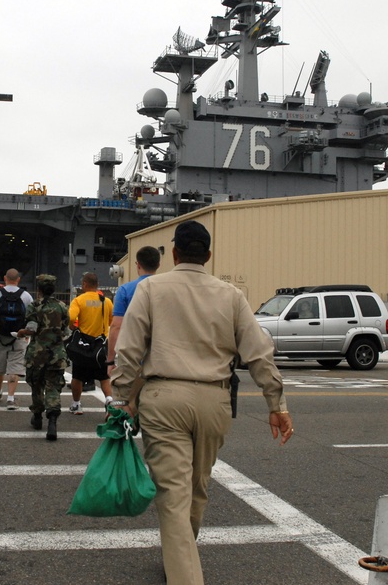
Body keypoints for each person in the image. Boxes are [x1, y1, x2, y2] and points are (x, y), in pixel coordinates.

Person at [112, 220, 292, 585]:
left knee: (172, 496)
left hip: (164, 398)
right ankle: (182, 557)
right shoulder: (231, 295)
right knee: (197, 486)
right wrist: (277, 405)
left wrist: (120, 398)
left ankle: (184, 570)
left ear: (174, 252)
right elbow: (259, 354)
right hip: (215, 398)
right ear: (208, 255)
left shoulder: (150, 289)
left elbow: (128, 350)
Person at [19, 274, 71, 441]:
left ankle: (37, 415)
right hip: (57, 354)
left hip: (37, 354)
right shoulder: (63, 306)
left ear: (39, 289)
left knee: (36, 385)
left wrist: (21, 332)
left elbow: (31, 329)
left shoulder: (34, 306)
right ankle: (53, 421)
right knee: (53, 387)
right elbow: (66, 330)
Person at [105, 245, 161, 370]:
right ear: (158, 265)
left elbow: (116, 326)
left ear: (138, 264)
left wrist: (110, 360)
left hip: (132, 359)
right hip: (160, 359)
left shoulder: (125, 290)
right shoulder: (167, 289)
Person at [0, 268, 33, 409]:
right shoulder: (26, 296)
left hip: (0, 335)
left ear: (5, 278)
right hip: (19, 336)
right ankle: (11, 398)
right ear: (18, 279)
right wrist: (25, 334)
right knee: (15, 367)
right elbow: (31, 317)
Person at [67, 271, 113, 414]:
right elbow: (111, 320)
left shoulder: (79, 300)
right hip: (101, 345)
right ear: (97, 285)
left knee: (78, 376)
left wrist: (72, 326)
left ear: (85, 284)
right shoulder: (106, 301)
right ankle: (109, 401)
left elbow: (71, 317)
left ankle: (76, 405)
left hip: (83, 345)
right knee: (104, 377)